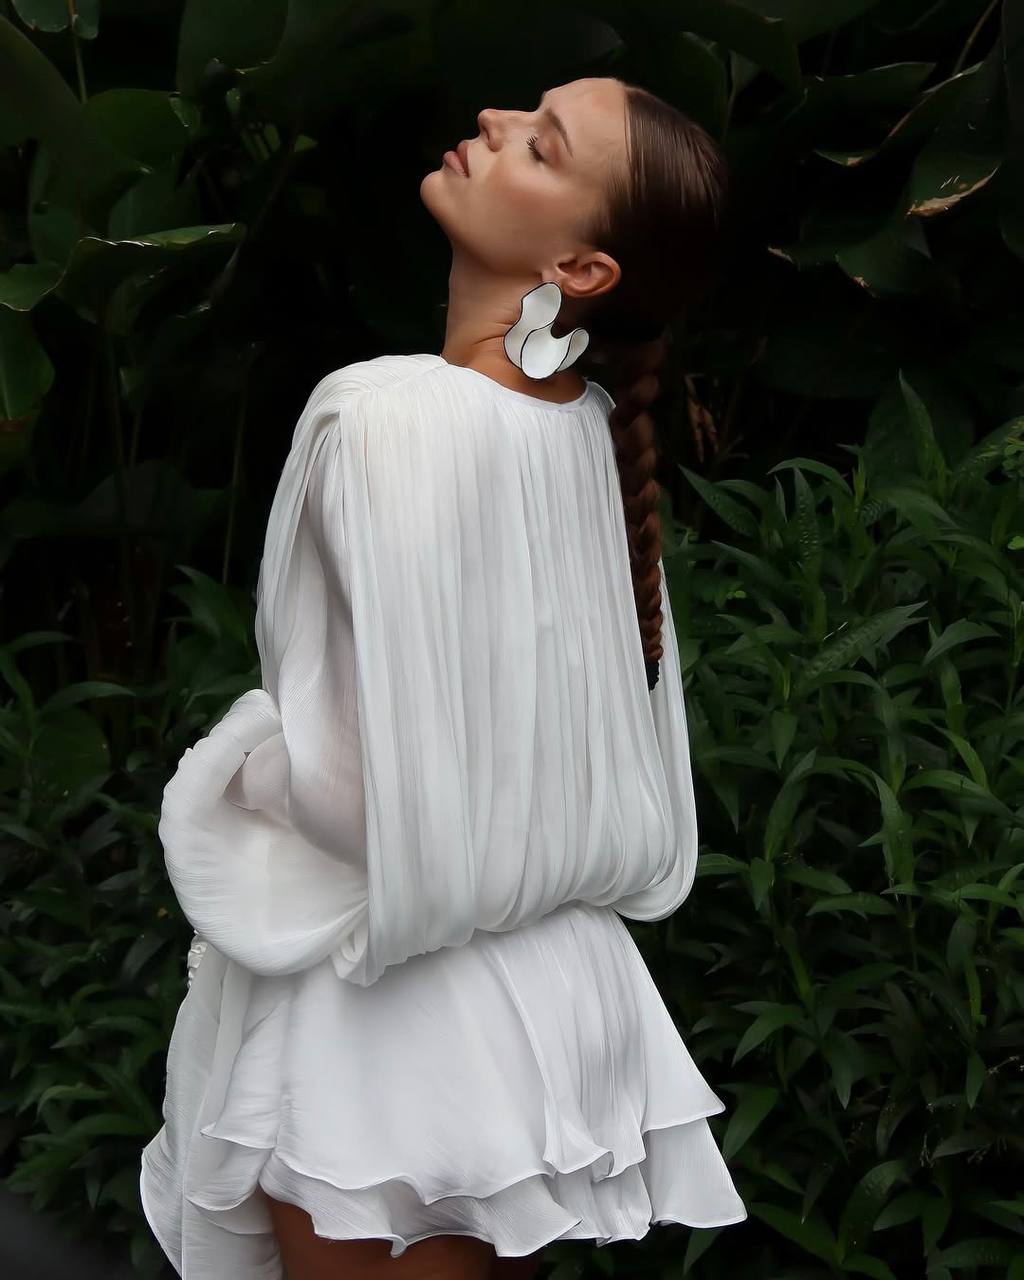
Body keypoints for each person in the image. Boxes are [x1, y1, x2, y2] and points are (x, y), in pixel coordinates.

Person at [139, 76, 746, 1280]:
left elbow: (349, 788)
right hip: (555, 989)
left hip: (393, 1009)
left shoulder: (378, 417)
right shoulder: (590, 437)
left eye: (544, 145)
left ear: (581, 268)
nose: (496, 124)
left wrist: (236, 775)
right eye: (527, 112)